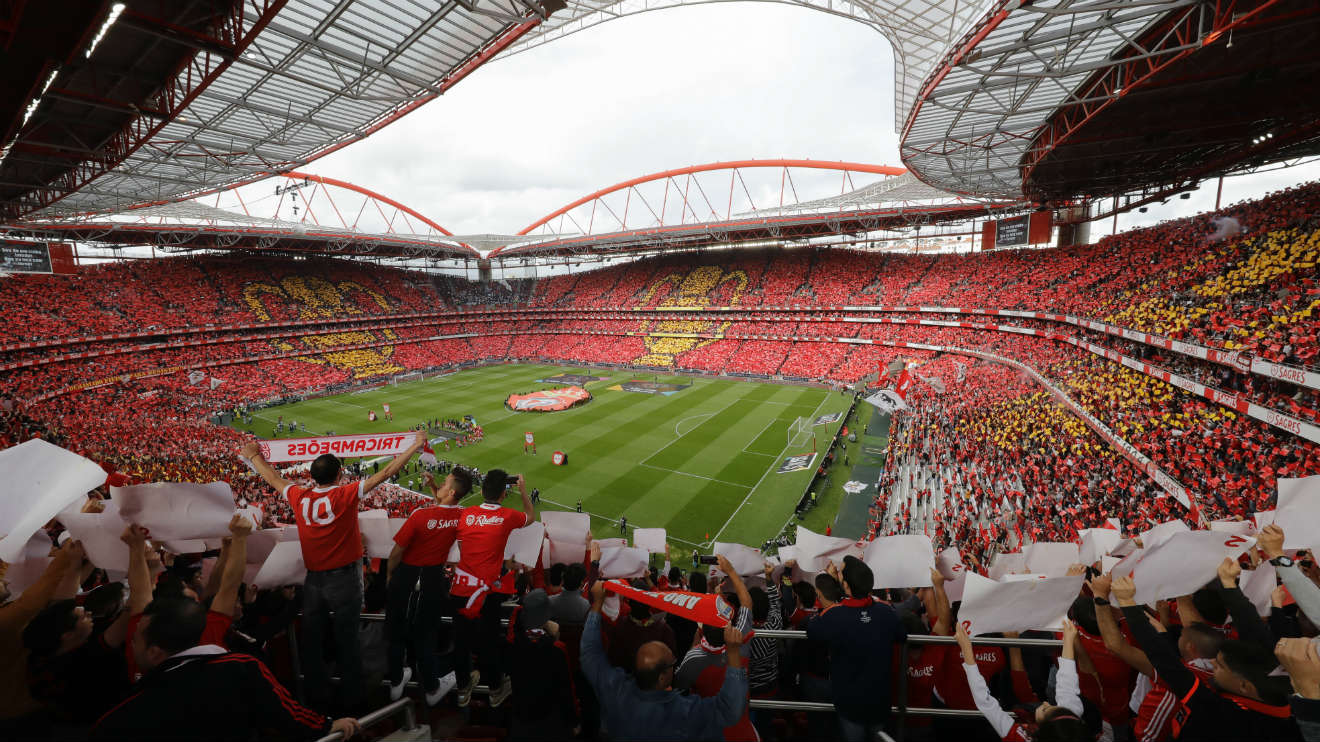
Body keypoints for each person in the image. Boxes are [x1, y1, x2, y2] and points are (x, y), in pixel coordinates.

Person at [241, 431, 427, 713]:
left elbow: (273, 478)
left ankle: (317, 703)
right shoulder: (344, 493)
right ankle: (355, 705)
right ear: (340, 474)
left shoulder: (298, 495)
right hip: (344, 579)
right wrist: (414, 446)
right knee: (348, 641)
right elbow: (388, 471)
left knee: (312, 642)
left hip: (313, 579)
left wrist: (254, 455)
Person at [91, 597, 359, 741]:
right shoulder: (241, 666)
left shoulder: (130, 708)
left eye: (135, 637)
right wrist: (325, 726)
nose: (131, 642)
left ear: (155, 652)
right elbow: (285, 714)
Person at [1112, 568, 1302, 742]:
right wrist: (1227, 583)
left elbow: (1168, 665)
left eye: (1219, 666)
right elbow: (1253, 628)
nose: (1212, 662)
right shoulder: (1281, 689)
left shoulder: (1228, 718)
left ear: (1244, 686)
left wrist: (1128, 604)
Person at [580, 580, 748, 740]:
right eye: (672, 663)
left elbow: (590, 654)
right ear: (662, 676)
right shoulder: (683, 712)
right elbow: (729, 711)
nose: (674, 666)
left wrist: (597, 605)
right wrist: (733, 653)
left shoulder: (614, 690)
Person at [384, 467, 472, 706]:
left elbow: (396, 552)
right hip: (432, 580)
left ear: (452, 491)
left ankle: (395, 683)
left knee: (396, 633)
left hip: (407, 575)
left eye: (445, 483)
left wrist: (390, 575)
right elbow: (444, 509)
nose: (441, 485)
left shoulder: (419, 516)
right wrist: (435, 488)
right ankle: (431, 687)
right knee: (425, 635)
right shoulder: (462, 517)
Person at [449, 468, 536, 707]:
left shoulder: (466, 514)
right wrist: (523, 491)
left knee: (462, 641)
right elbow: (531, 516)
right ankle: (496, 689)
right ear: (503, 494)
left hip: (461, 586)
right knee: (489, 641)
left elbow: (460, 544)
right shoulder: (507, 516)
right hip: (486, 591)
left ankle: (463, 687)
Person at [806, 556, 906, 741]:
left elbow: (812, 629)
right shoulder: (886, 611)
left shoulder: (835, 615)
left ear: (846, 586)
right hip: (880, 702)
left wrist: (831, 589)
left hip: (850, 705)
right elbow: (901, 635)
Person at [955, 619, 1088, 742]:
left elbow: (986, 703)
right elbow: (1067, 685)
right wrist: (1069, 641)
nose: (1046, 703)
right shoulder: (1070, 721)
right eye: (1053, 705)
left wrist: (967, 650)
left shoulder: (1018, 737)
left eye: (1045, 710)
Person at [508, 589, 579, 740]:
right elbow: (566, 689)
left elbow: (515, 629)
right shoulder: (557, 650)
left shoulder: (512, 646)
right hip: (549, 722)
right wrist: (572, 720)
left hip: (521, 718)